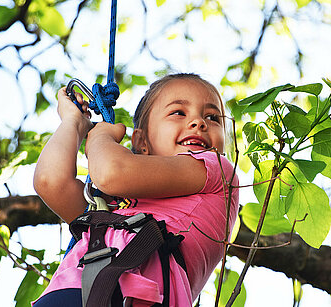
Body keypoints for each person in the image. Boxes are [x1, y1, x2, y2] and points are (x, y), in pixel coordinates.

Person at [32, 73, 239, 307]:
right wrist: (73, 123)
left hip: (132, 297)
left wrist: (101, 137)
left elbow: (111, 172)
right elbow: (50, 181)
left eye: (212, 117)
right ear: (141, 142)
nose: (199, 123)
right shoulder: (116, 206)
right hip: (69, 293)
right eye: (178, 112)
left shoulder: (218, 174)